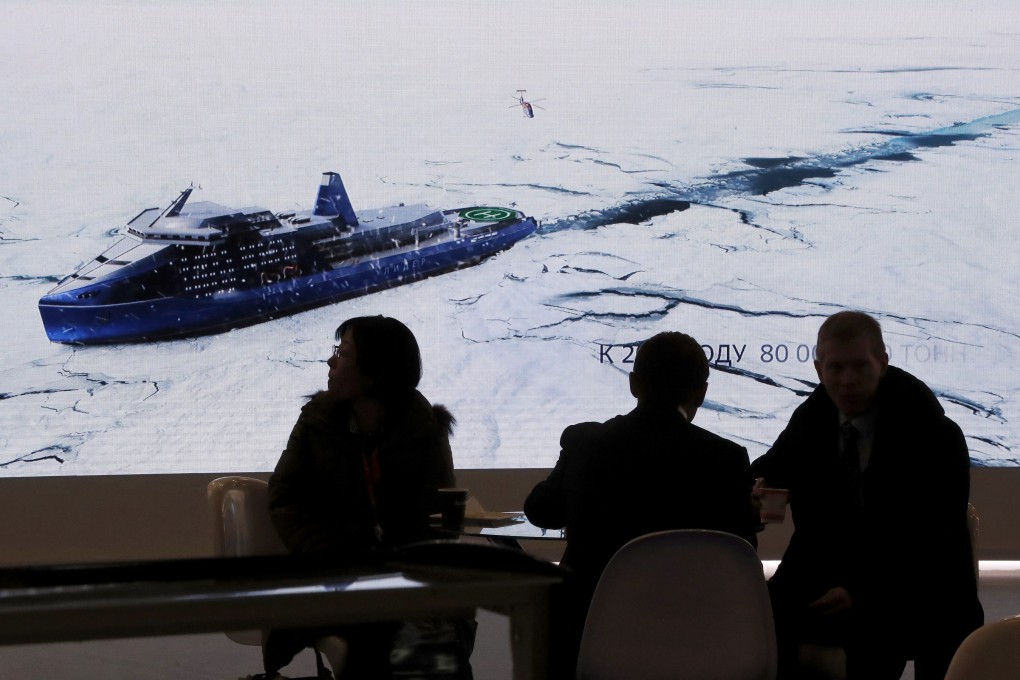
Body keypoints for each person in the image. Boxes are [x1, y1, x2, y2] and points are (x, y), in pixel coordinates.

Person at [751, 311, 982, 680]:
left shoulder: (935, 434)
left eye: (859, 366)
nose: (847, 381)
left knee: (893, 627)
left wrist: (863, 591)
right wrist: (753, 493)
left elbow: (935, 538)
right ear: (818, 368)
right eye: (836, 368)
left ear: (883, 362)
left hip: (913, 581)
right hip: (829, 574)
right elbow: (770, 472)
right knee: (757, 619)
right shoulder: (812, 419)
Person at [524, 331, 760, 678]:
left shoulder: (585, 443)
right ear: (703, 392)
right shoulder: (726, 459)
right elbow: (741, 552)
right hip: (694, 642)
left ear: (634, 384)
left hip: (586, 640)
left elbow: (540, 511)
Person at [266, 315, 466, 679]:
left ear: (375, 373)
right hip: (335, 574)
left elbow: (437, 518)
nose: (331, 362)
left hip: (405, 579)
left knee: (432, 638)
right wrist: (332, 560)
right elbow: (285, 500)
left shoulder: (423, 428)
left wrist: (406, 572)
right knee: (383, 637)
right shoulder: (316, 422)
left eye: (342, 354)